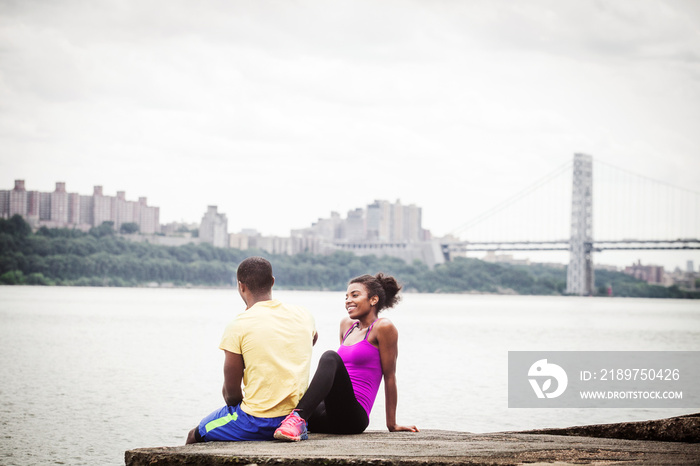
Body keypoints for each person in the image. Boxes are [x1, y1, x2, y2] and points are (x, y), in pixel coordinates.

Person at [186, 256, 317, 444]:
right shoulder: (304, 315)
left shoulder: (238, 325)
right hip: (297, 419)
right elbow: (312, 339)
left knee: (195, 435)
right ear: (272, 281)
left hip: (257, 421)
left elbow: (231, 394)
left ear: (241, 286)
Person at [273, 273, 418, 441]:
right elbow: (336, 377)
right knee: (291, 387)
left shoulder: (383, 327)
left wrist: (391, 424)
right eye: (346, 297)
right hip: (328, 415)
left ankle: (297, 419)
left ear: (373, 300)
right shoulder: (346, 326)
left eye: (355, 295)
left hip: (352, 419)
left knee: (330, 357)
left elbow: (390, 376)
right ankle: (282, 420)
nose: (348, 300)